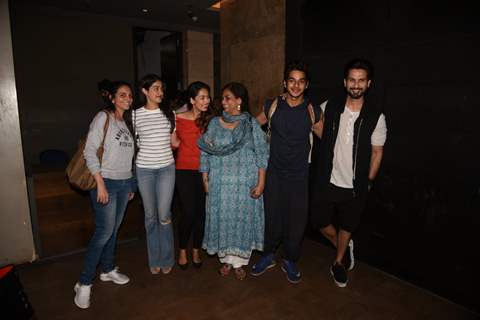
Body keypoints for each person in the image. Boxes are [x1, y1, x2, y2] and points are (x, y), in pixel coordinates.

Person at [311, 58, 387, 288]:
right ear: (345, 82)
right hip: (327, 180)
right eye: (352, 80)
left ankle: (338, 262)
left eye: (361, 80)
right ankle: (344, 247)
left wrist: (369, 181)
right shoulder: (330, 106)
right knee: (319, 221)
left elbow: (377, 152)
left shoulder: (376, 116)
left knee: (347, 226)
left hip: (355, 186)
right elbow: (315, 123)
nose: (356, 85)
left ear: (368, 83)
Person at [251, 60, 323, 284]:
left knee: (296, 220)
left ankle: (290, 259)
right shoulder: (272, 105)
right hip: (274, 174)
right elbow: (252, 127)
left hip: (300, 176)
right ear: (285, 83)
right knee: (272, 217)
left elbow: (327, 141)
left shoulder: (313, 111)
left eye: (301, 82)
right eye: (292, 81)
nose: (296, 86)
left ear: (306, 85)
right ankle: (268, 255)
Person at [74, 81, 136, 309]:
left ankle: (108, 270)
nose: (127, 98)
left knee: (113, 230)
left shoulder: (125, 122)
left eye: (129, 95)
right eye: (122, 95)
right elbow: (89, 150)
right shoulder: (104, 117)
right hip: (106, 182)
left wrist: (130, 184)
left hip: (123, 183)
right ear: (112, 98)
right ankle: (84, 282)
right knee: (103, 232)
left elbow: (127, 158)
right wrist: (100, 183)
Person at [198, 82, 269, 280]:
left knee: (241, 222)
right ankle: (227, 260)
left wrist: (261, 182)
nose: (223, 102)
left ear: (239, 101)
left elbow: (262, 154)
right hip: (221, 185)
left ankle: (239, 263)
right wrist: (205, 177)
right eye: (223, 98)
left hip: (244, 185)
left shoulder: (250, 124)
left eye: (228, 98)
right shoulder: (214, 124)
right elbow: (205, 150)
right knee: (224, 221)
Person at [133, 74, 176, 275]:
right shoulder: (134, 116)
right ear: (145, 91)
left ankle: (167, 257)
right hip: (144, 170)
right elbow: (133, 143)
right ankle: (155, 258)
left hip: (166, 168)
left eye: (161, 88)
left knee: (164, 215)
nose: (160, 92)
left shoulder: (169, 113)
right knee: (150, 216)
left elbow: (174, 142)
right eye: (156, 88)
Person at [171, 81, 213, 270]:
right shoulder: (177, 118)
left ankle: (196, 249)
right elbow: (173, 144)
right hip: (184, 171)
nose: (207, 100)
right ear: (192, 100)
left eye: (208, 97)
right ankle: (182, 249)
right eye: (202, 97)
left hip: (205, 171)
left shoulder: (210, 120)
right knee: (188, 212)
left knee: (201, 214)